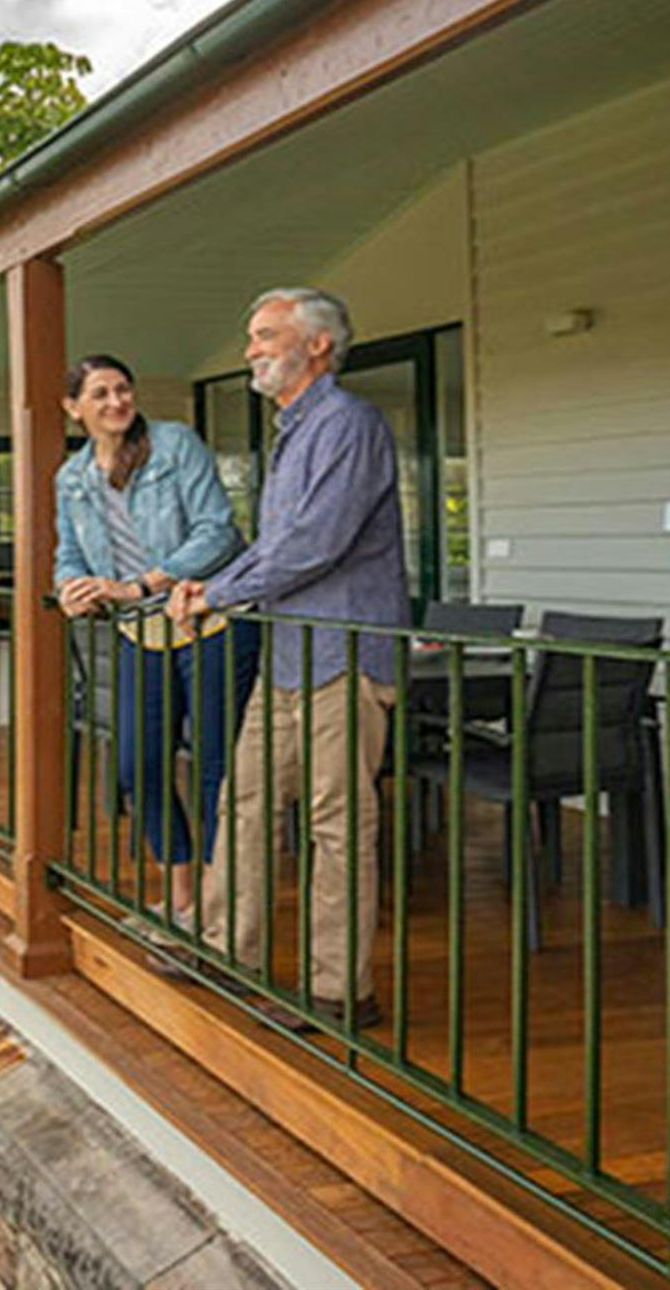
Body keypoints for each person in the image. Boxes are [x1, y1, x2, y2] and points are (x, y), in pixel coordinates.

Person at [168, 288, 406, 1030]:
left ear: (317, 346)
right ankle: (223, 948)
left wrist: (217, 594)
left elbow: (316, 541)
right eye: (252, 337)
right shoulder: (293, 432)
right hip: (291, 654)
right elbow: (278, 546)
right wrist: (216, 583)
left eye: (266, 336)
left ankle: (339, 992)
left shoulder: (348, 425)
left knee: (336, 826)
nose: (251, 350)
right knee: (245, 801)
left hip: (344, 654)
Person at [54, 354, 260, 916]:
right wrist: (71, 586)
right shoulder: (71, 479)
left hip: (210, 620)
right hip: (140, 632)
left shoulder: (174, 445)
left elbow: (218, 531)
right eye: (100, 394)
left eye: (123, 389)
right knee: (135, 765)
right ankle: (180, 887)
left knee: (217, 765)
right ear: (73, 408)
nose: (117, 402)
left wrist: (142, 583)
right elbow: (68, 552)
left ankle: (217, 905)